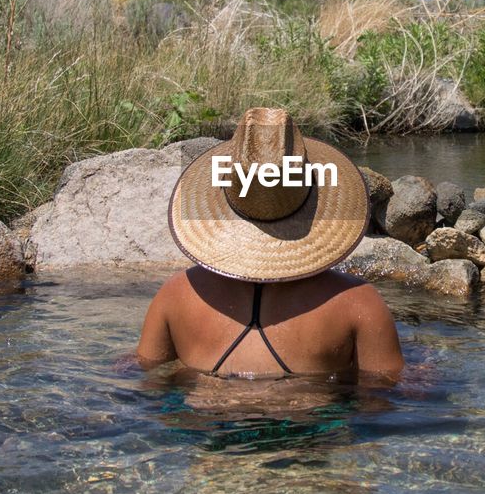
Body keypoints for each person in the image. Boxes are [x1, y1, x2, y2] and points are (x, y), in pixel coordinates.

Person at [137, 107, 404, 378]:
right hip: (310, 415)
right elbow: (383, 399)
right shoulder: (358, 304)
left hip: (207, 414)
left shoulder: (175, 295)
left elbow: (145, 378)